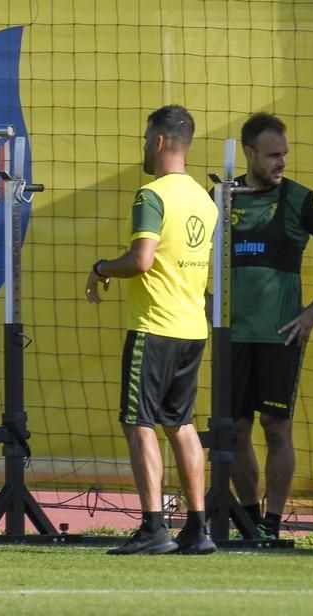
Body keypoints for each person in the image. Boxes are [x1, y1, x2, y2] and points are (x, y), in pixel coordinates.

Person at [86, 105, 217, 555]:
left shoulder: (151, 195)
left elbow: (142, 260)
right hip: (192, 327)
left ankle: (153, 527)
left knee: (137, 422)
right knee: (181, 424)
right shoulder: (204, 198)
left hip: (154, 325)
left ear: (159, 142)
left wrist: (102, 266)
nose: (144, 147)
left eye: (146, 139)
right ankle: (198, 529)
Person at [228, 113, 313, 540]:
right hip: (232, 336)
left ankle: (273, 523)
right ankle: (248, 522)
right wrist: (206, 299)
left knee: (275, 428)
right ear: (249, 154)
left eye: (284, 154)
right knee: (234, 430)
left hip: (279, 337)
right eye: (273, 155)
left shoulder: (303, 201)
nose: (281, 162)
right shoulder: (223, 201)